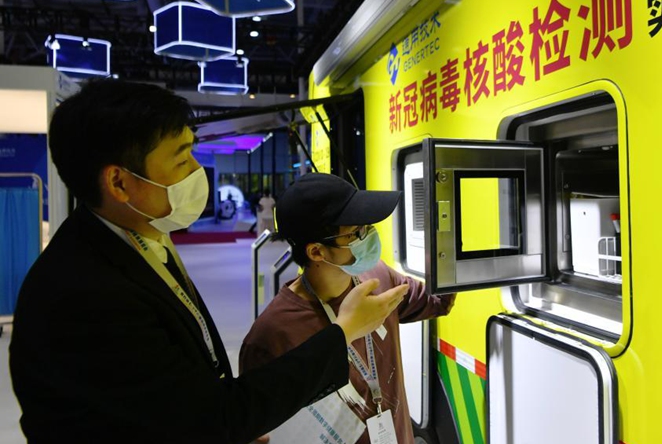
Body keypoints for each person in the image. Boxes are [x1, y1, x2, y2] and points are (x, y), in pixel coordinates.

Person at [9, 80, 408, 444]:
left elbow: (175, 405)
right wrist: (344, 332)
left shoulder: (141, 240)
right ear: (119, 183)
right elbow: (202, 416)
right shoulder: (84, 294)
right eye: (181, 161)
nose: (198, 172)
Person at [239, 173, 456, 444]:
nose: (370, 237)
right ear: (317, 252)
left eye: (368, 227)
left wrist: (450, 242)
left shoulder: (377, 277)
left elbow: (435, 301)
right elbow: (257, 428)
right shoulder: (272, 336)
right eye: (356, 233)